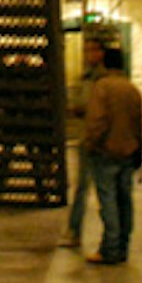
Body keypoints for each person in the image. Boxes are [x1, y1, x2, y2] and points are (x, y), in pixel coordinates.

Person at [83, 46, 142, 265]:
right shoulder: (132, 89)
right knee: (124, 199)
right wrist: (139, 151)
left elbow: (97, 121)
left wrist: (90, 144)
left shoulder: (103, 88)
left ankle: (109, 247)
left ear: (105, 64)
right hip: (128, 151)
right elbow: (139, 124)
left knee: (107, 200)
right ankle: (123, 246)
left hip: (105, 152)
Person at [60, 35, 106, 247]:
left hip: (103, 141)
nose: (89, 55)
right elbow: (75, 103)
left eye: (93, 50)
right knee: (82, 187)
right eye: (86, 50)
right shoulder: (83, 78)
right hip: (85, 138)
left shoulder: (105, 79)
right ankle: (74, 230)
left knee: (105, 189)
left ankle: (110, 236)